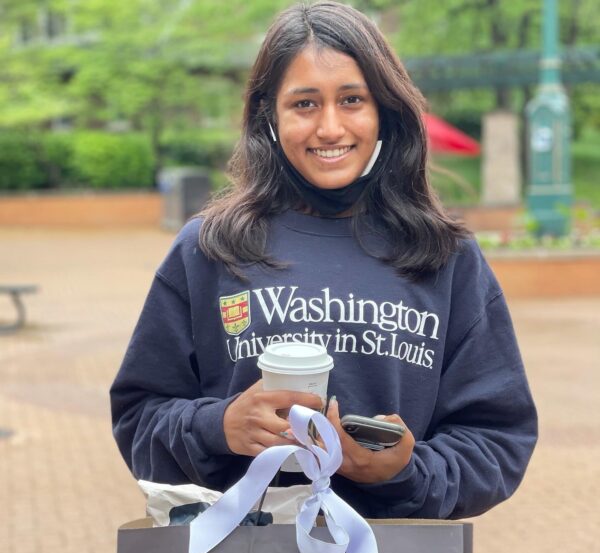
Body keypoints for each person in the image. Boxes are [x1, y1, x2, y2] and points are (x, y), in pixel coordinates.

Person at [110, 1, 537, 519]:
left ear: (385, 112)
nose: (330, 128)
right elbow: (138, 417)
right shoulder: (210, 248)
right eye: (305, 104)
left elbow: (498, 439)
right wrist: (219, 427)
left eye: (352, 100)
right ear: (270, 116)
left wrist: (405, 472)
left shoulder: (445, 256)